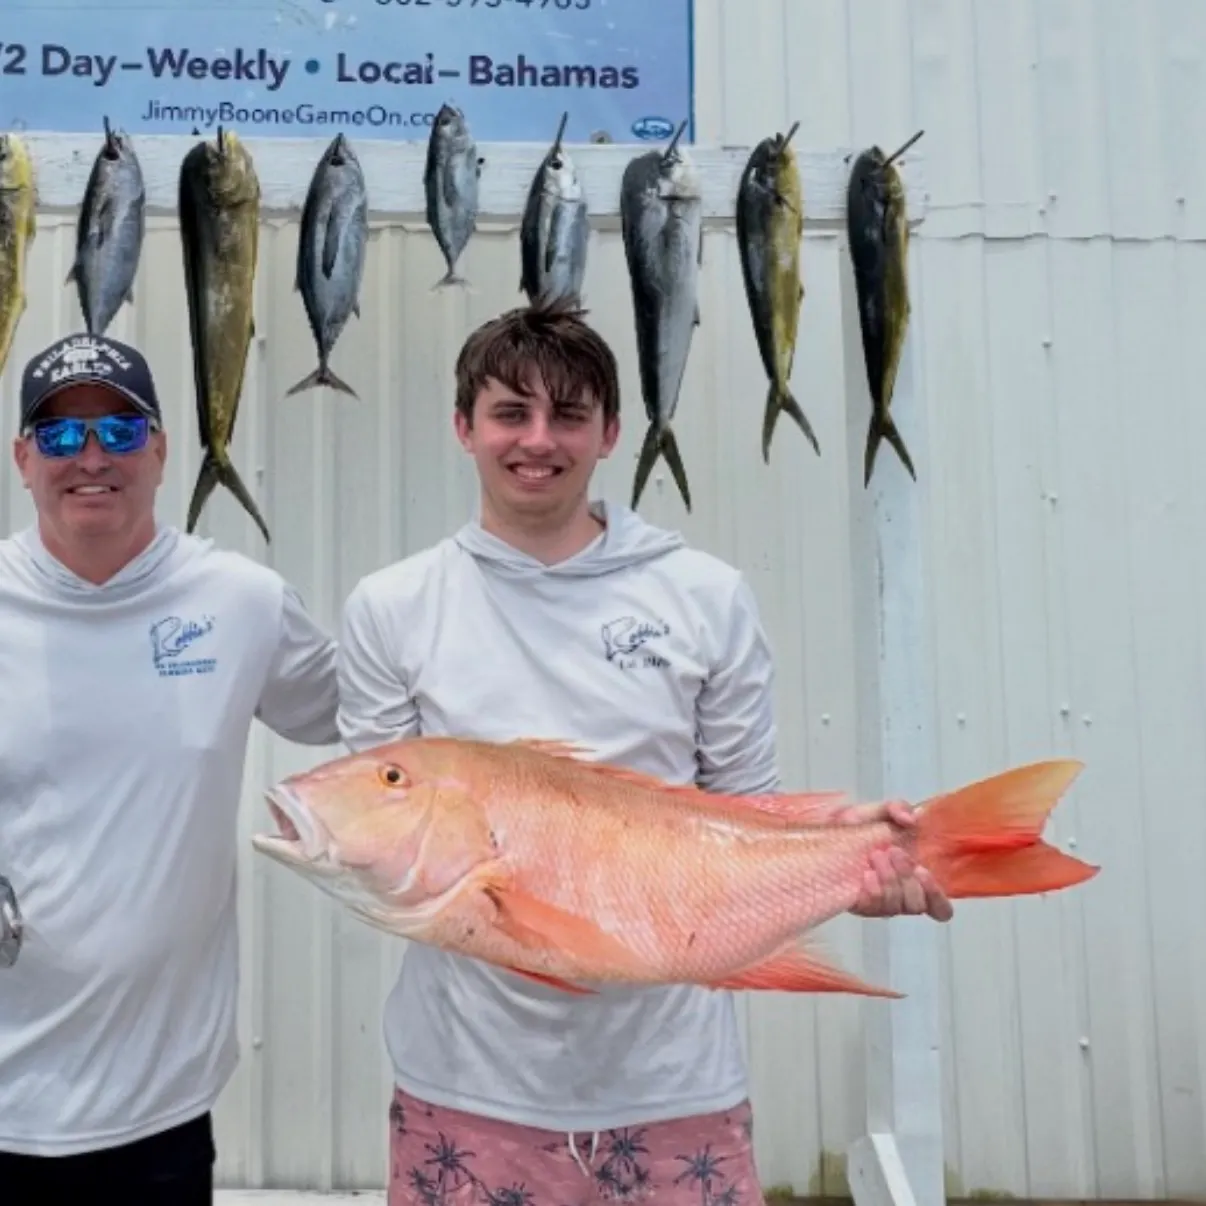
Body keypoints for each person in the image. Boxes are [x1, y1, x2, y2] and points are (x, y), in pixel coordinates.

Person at [335, 302, 953, 1205]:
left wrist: (849, 855)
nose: (538, 441)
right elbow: (387, 843)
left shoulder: (704, 596)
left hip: (675, 1085)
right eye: (510, 413)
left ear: (611, 431)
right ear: (463, 426)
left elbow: (747, 819)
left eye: (569, 416)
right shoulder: (392, 607)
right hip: (462, 1085)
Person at [0, 333, 342, 1203]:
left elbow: (376, 712)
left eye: (119, 432)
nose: (91, 458)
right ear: (21, 457)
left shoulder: (241, 601)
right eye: (60, 434)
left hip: (158, 1111)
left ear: (159, 451)